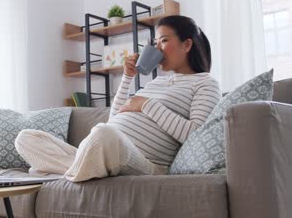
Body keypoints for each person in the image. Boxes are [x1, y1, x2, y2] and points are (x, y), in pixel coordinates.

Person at [15, 15, 221, 182]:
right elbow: (114, 118)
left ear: (187, 45)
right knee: (26, 137)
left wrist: (147, 105)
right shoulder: (156, 83)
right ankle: (79, 169)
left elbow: (195, 135)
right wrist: (128, 78)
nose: (157, 49)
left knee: (103, 134)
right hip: (109, 148)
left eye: (164, 41)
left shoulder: (205, 84)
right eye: (155, 43)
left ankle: (61, 172)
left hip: (146, 164)